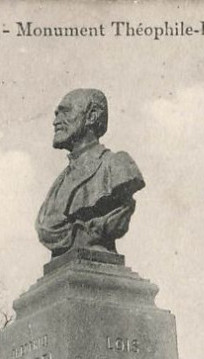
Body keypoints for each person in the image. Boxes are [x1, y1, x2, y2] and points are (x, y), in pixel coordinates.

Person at [36, 88, 145, 257]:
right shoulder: (60, 182)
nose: (56, 121)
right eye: (57, 114)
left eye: (65, 112)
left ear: (92, 116)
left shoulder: (116, 165)